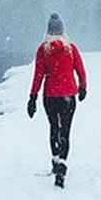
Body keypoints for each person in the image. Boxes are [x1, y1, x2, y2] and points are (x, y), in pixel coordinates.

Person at [27, 13, 87, 188]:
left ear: (48, 31)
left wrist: (33, 97)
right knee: (65, 132)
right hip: (68, 96)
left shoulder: (43, 50)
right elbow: (81, 70)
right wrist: (83, 87)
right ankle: (61, 167)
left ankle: (55, 162)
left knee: (54, 128)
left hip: (51, 96)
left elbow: (38, 75)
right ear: (62, 31)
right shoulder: (71, 48)